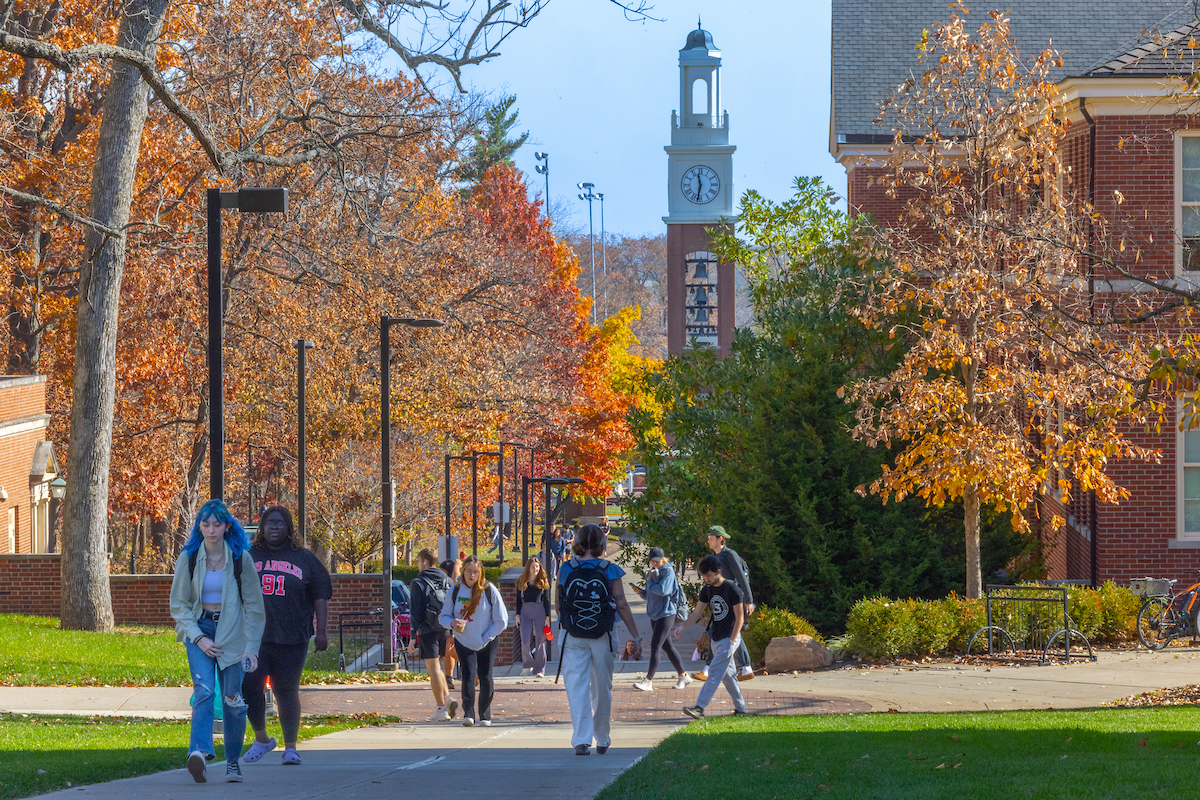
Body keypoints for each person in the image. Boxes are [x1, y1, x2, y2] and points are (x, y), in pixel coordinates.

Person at [169, 499, 265, 784]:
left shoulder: (240, 559)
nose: (211, 529)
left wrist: (252, 648)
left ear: (227, 526)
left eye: (217, 524)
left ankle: (232, 762)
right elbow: (179, 605)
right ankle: (198, 752)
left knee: (233, 701)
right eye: (206, 523)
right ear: (200, 526)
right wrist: (198, 638)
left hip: (233, 635)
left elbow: (254, 607)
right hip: (199, 631)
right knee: (204, 692)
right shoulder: (189, 557)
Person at [240, 506, 331, 766]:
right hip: (254, 638)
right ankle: (261, 739)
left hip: (293, 636)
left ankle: (291, 747)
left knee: (286, 690)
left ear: (289, 528)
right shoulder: (248, 555)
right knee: (249, 687)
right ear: (262, 527)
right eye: (270, 523)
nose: (275, 527)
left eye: (280, 523)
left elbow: (321, 594)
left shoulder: (304, 558)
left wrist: (322, 630)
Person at [558, 523, 641, 756]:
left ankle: (581, 740)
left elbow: (559, 603)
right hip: (603, 634)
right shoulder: (609, 569)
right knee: (602, 687)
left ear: (577, 543)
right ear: (602, 544)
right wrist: (636, 636)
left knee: (577, 687)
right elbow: (622, 604)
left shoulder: (565, 569)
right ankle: (602, 737)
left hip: (571, 634)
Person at [674, 554, 747, 719]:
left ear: (718, 571)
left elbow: (740, 618)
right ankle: (741, 709)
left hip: (730, 638)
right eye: (704, 575)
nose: (706, 578)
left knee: (713, 672)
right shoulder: (707, 589)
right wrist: (682, 626)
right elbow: (697, 613)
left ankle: (699, 708)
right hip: (715, 637)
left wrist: (732, 641)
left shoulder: (732, 589)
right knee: (728, 677)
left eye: (708, 575)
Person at [439, 554, 508, 727]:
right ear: (463, 571)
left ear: (481, 573)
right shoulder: (455, 590)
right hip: (464, 639)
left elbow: (501, 620)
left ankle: (485, 715)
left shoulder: (489, 590)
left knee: (485, 676)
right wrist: (451, 623)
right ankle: (468, 714)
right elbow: (443, 616)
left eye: (475, 572)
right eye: (469, 571)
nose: (472, 575)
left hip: (487, 639)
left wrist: (486, 637)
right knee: (468, 676)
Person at [692, 525, 755, 682]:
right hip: (721, 601)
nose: (708, 541)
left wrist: (748, 601)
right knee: (729, 632)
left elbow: (741, 578)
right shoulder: (714, 557)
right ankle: (746, 668)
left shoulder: (730, 556)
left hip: (732, 600)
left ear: (721, 539)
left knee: (718, 631)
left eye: (711, 539)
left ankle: (708, 669)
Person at [407, 549, 458, 720]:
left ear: (425, 562)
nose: (418, 564)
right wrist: (452, 631)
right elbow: (454, 606)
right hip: (445, 627)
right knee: (439, 668)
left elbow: (415, 612)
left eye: (418, 560)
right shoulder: (448, 580)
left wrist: (413, 636)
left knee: (433, 668)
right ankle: (447, 698)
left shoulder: (418, 582)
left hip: (427, 629)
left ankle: (441, 709)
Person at [631, 547, 691, 692]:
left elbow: (664, 590)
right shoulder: (651, 572)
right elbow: (650, 594)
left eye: (657, 561)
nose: (654, 564)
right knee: (667, 647)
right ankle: (683, 676)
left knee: (655, 646)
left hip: (666, 613)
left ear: (662, 559)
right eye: (652, 561)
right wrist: (641, 592)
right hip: (654, 614)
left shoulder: (668, 571)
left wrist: (650, 582)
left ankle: (648, 680)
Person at [515, 557, 551, 677]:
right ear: (528, 568)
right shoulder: (522, 581)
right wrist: (517, 615)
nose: (535, 569)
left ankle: (540, 670)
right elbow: (518, 600)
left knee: (540, 641)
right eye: (532, 567)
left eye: (536, 566)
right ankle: (527, 665)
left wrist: (547, 617)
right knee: (524, 640)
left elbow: (546, 600)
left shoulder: (543, 581)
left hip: (539, 609)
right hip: (525, 611)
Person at [440, 558, 461, 689]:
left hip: (460, 624)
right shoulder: (446, 585)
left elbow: (457, 578)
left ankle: (474, 669)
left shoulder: (457, 587)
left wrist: (457, 567)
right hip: (448, 623)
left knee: (453, 650)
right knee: (447, 651)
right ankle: (448, 677)